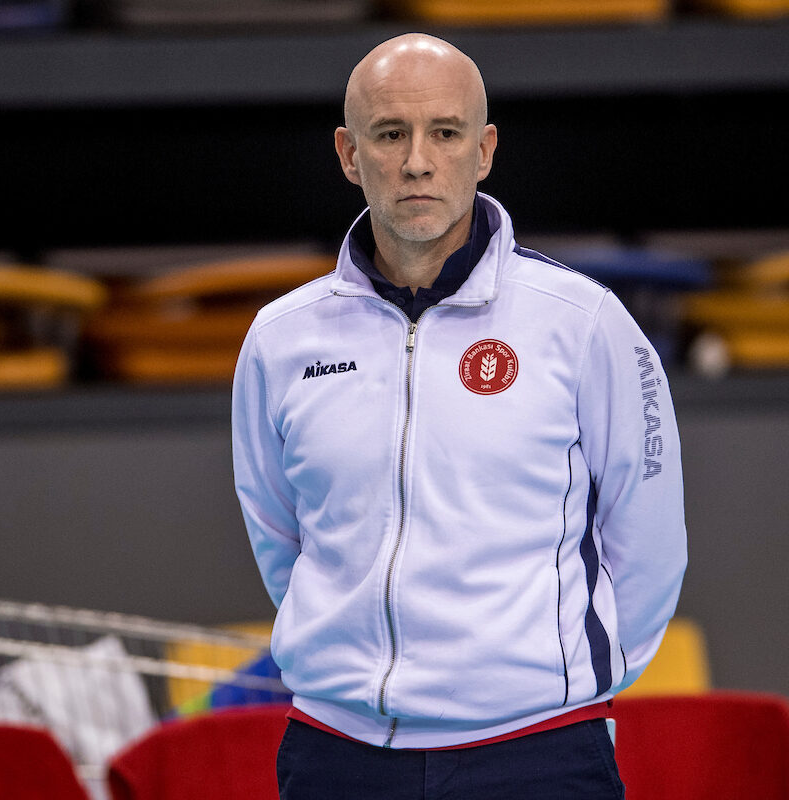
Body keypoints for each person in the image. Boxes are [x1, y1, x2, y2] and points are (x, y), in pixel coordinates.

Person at [231, 33, 686, 799]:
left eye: (444, 133)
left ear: (484, 151)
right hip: (337, 755)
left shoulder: (582, 323)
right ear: (349, 154)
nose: (417, 161)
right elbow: (283, 539)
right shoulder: (281, 340)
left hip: (536, 751)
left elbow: (650, 545)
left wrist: (559, 688)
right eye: (390, 134)